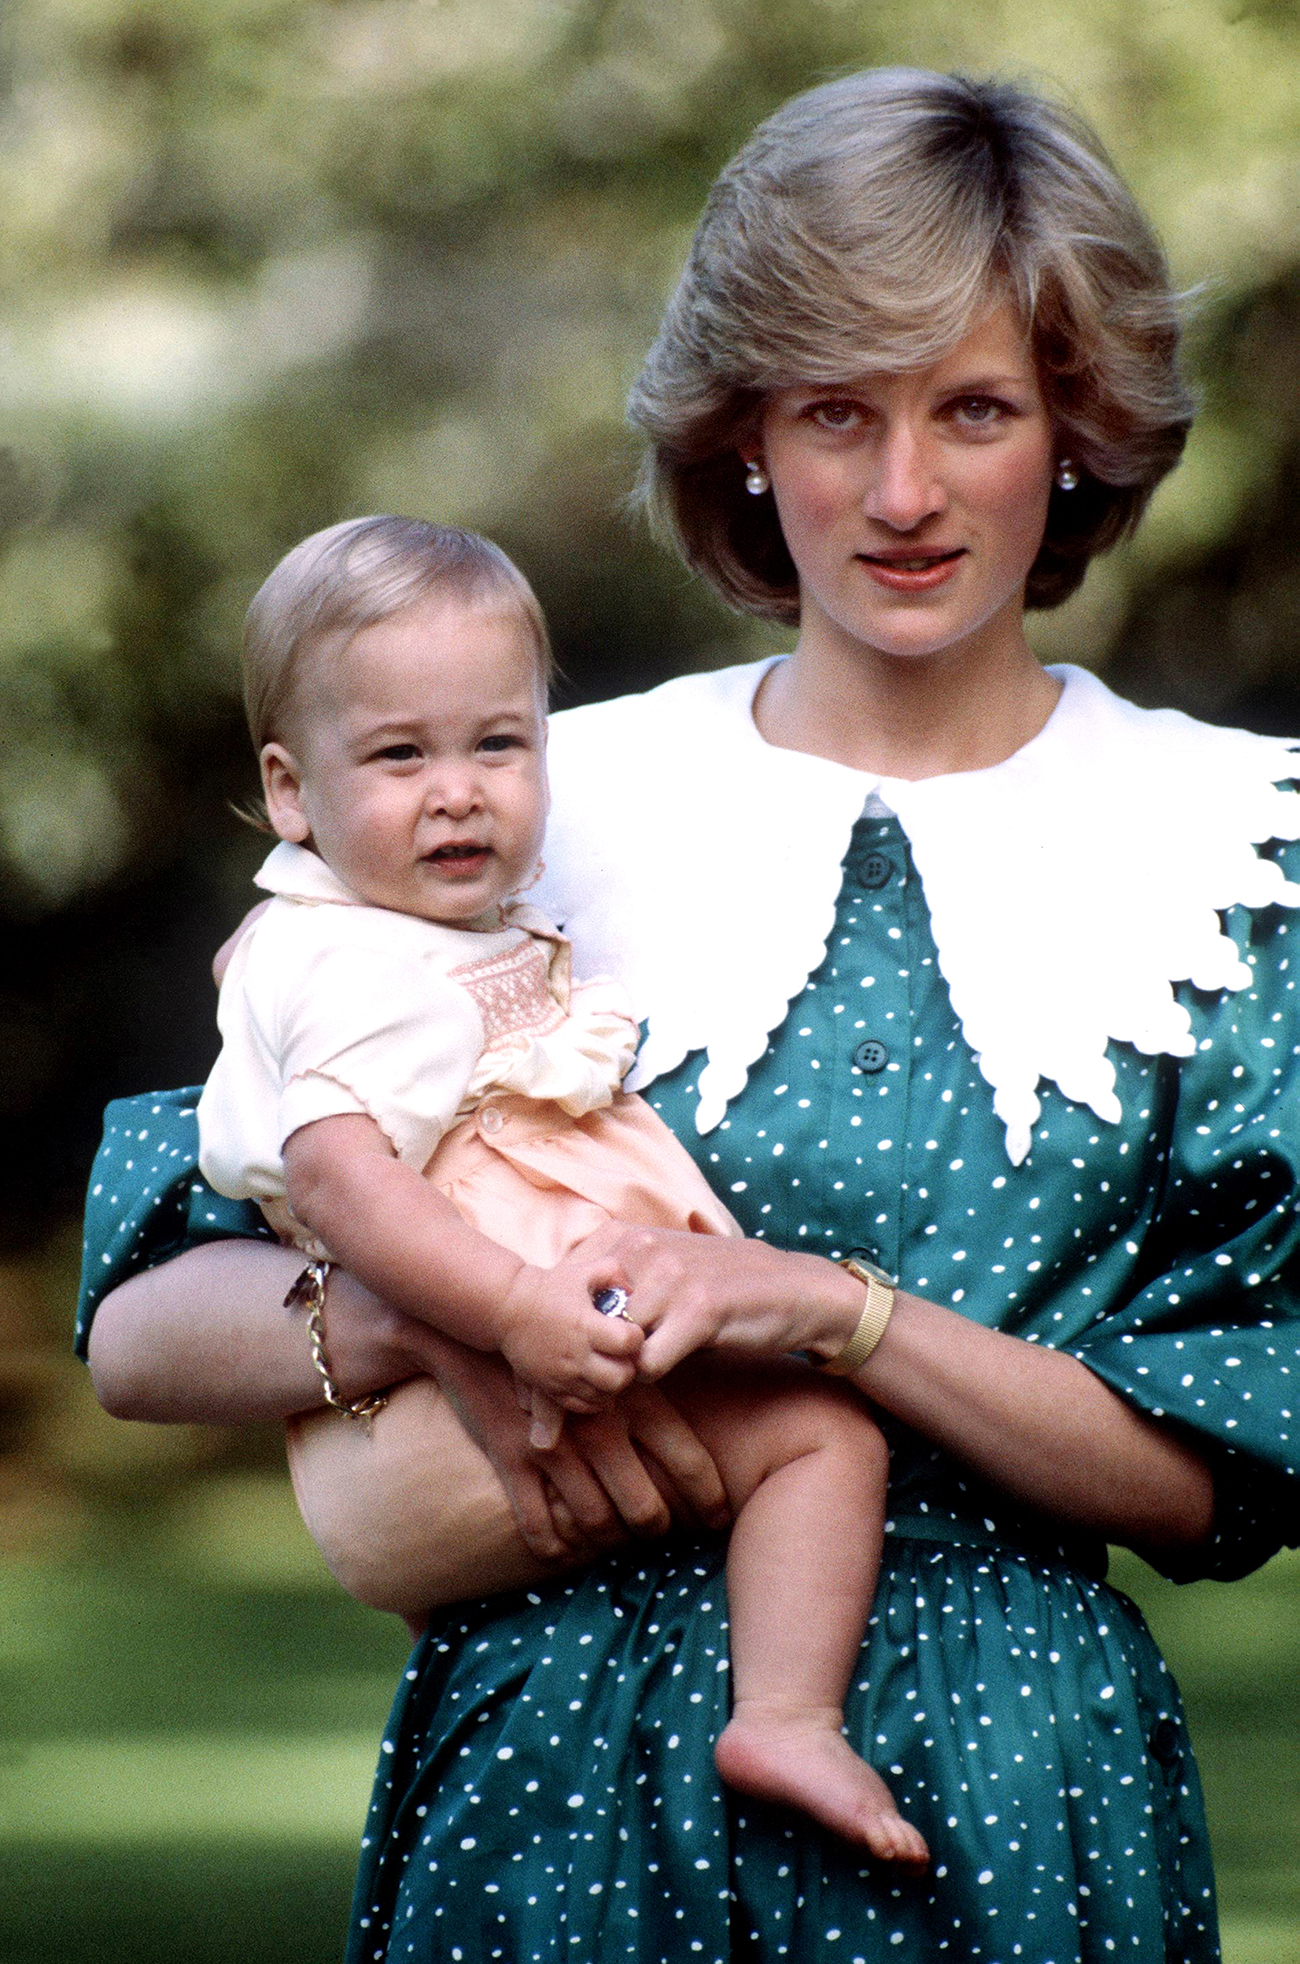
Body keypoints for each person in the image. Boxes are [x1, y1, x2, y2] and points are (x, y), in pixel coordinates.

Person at [78, 66, 1300, 1964]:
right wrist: (432, 1315)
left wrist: (834, 1319)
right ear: (743, 440)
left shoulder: (1235, 861)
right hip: (546, 1786)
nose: (903, 495)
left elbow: (1222, 1474)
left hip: (1003, 1790)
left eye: (975, 409)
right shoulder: (507, 799)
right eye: (835, 413)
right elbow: (147, 1327)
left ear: (1077, 433)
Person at [192, 510, 927, 1863]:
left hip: (443, 1439)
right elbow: (343, 1185)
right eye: (401, 756)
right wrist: (517, 1309)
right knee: (828, 1440)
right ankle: (786, 1712)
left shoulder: (401, 937)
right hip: (472, 1404)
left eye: (498, 744)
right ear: (294, 794)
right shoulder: (352, 966)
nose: (459, 790)